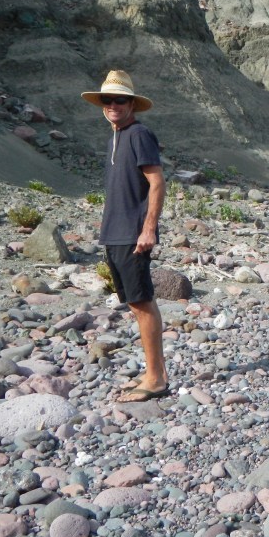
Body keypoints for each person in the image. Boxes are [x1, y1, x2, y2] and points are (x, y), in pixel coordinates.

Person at [82, 70, 169, 403]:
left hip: (132, 233)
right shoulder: (115, 138)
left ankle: (156, 379)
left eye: (120, 100)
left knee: (142, 302)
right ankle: (152, 373)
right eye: (108, 100)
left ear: (132, 104)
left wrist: (148, 229)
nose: (113, 105)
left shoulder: (139, 134)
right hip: (115, 233)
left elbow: (157, 183)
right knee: (134, 302)